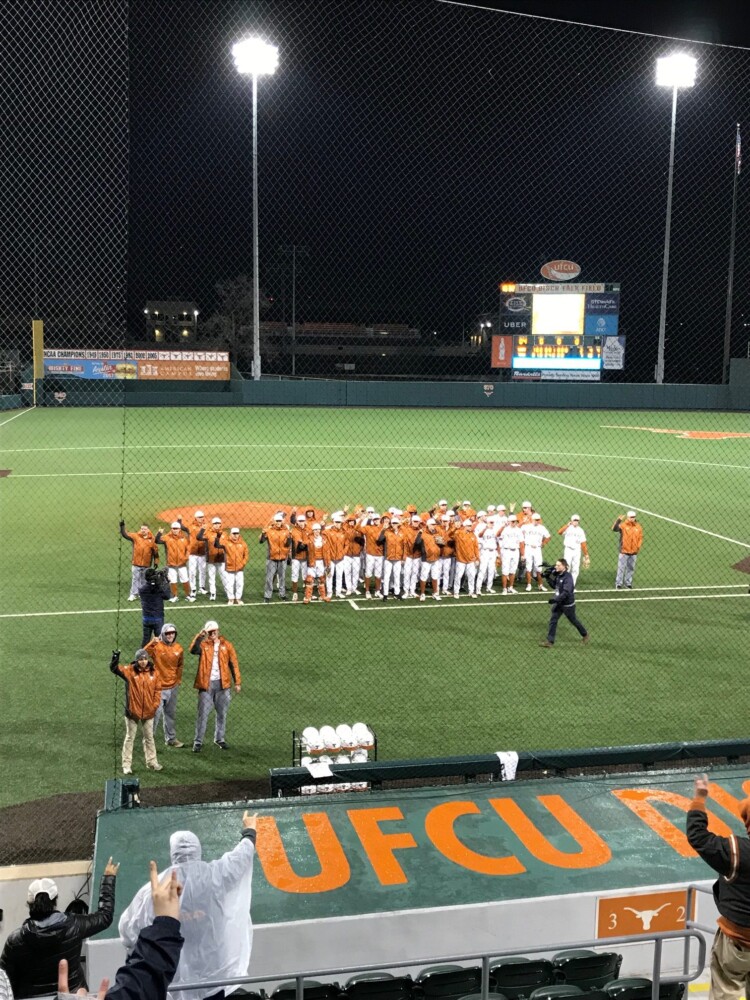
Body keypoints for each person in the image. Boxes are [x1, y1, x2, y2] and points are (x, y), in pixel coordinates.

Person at [118, 812, 257, 1000]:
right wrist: (249, 830)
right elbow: (241, 857)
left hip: (174, 983)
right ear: (198, 849)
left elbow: (128, 929)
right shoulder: (216, 875)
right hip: (213, 981)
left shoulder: (155, 889)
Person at [60, 862, 185, 1000]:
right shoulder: (73, 925)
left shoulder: (32, 934)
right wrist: (165, 923)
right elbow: (104, 916)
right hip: (73, 987)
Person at [0, 862, 118, 998]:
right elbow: (105, 917)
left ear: (30, 904)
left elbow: (5, 978)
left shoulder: (15, 940)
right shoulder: (75, 925)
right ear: (55, 900)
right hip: (73, 995)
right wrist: (108, 879)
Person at [687, 774, 750, 1000]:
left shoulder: (738, 851)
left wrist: (699, 798)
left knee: (726, 991)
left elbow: (698, 837)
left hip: (737, 943)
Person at [110, 648, 163, 774]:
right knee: (130, 738)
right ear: (137, 660)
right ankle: (126, 765)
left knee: (149, 738)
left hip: (148, 712)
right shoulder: (129, 671)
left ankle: (152, 762)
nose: (143, 661)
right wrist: (115, 658)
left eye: (145, 659)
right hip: (133, 712)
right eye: (140, 659)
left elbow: (158, 691)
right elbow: (114, 669)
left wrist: (154, 706)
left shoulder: (154, 673)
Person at [190, 620, 241, 753]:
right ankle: (198, 741)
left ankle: (219, 738)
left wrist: (237, 682)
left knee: (222, 714)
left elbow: (233, 664)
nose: (213, 634)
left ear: (218, 631)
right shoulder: (203, 645)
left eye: (215, 631)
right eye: (210, 632)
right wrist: (199, 636)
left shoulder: (227, 645)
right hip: (206, 685)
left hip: (223, 685)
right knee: (203, 715)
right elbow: (192, 650)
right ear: (206, 633)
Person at [145, 623, 185, 749]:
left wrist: (177, 680)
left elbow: (180, 665)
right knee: (155, 715)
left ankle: (171, 739)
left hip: (172, 687)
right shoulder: (157, 646)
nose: (170, 635)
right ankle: (148, 741)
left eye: (173, 633)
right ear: (163, 634)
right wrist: (152, 642)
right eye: (167, 633)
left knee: (170, 714)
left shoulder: (179, 648)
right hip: (159, 688)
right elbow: (144, 654)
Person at [540, 558, 590, 647]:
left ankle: (585, 634)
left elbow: (566, 593)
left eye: (558, 565)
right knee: (553, 620)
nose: (556, 566)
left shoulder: (568, 578)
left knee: (573, 620)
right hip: (559, 603)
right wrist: (548, 578)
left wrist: (555, 599)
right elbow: (555, 586)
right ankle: (550, 641)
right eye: (556, 565)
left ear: (564, 567)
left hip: (567, 605)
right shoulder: (559, 575)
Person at [155, 522, 195, 603]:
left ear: (180, 529)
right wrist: (159, 533)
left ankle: (188, 595)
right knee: (173, 580)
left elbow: (188, 549)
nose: (175, 530)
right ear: (171, 529)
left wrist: (185, 558)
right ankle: (175, 596)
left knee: (185, 580)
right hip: (171, 563)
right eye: (173, 528)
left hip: (182, 563)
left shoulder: (185, 538)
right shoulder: (167, 537)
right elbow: (157, 541)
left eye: (176, 528)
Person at [119, 521, 159, 602]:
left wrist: (156, 561)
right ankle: (133, 594)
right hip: (136, 563)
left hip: (146, 564)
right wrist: (122, 526)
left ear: (148, 530)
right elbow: (125, 535)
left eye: (145, 529)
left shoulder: (152, 539)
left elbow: (155, 552)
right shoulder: (135, 536)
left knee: (144, 580)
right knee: (135, 579)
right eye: (142, 529)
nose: (143, 530)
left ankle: (142, 594)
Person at [259, 512, 291, 602]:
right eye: (277, 521)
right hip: (271, 558)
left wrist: (289, 538)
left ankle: (282, 594)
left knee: (282, 577)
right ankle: (267, 596)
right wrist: (262, 534)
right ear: (274, 521)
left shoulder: (286, 530)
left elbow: (288, 544)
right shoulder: (269, 530)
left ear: (282, 521)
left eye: (280, 521)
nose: (278, 522)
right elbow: (261, 541)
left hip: (283, 558)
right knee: (269, 577)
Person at [138, 567, 172, 646]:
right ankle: (158, 655)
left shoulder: (142, 590)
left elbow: (149, 587)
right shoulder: (158, 589)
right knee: (160, 640)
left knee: (146, 640)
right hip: (158, 618)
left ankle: (143, 655)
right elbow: (167, 596)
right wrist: (165, 580)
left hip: (146, 618)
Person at [215, 527, 249, 605]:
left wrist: (243, 564)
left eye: (237, 533)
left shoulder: (243, 543)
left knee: (240, 583)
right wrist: (218, 536)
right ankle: (231, 599)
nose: (235, 535)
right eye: (234, 533)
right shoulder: (226, 542)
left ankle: (238, 598)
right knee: (230, 584)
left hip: (240, 568)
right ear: (231, 534)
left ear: (239, 534)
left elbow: (246, 555)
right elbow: (217, 545)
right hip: (229, 567)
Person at [613, 509, 643, 590]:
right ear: (628, 517)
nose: (632, 518)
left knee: (631, 568)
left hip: (634, 551)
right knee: (621, 568)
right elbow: (614, 529)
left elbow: (640, 538)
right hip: (624, 550)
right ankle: (618, 583)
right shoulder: (623, 525)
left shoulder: (638, 527)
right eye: (631, 517)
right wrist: (618, 520)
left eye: (633, 517)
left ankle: (628, 583)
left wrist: (638, 547)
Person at [197, 516, 226, 602]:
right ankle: (213, 594)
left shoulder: (224, 534)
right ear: (212, 525)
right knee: (211, 577)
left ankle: (228, 592)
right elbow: (198, 538)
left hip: (221, 559)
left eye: (218, 523)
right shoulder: (208, 533)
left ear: (220, 524)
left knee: (224, 577)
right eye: (215, 524)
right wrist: (202, 529)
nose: (217, 525)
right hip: (211, 559)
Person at [303, 522, 332, 603]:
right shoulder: (309, 538)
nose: (317, 531)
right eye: (315, 530)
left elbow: (327, 551)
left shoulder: (324, 539)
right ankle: (308, 597)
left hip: (322, 562)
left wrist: (328, 563)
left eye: (318, 530)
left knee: (322, 579)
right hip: (312, 561)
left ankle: (323, 596)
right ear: (313, 530)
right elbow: (303, 544)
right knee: (309, 579)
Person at [557, 514, 590, 584]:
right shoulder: (567, 528)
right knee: (566, 567)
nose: (576, 522)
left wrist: (586, 554)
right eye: (574, 520)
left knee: (575, 569)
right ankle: (564, 583)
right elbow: (559, 532)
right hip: (568, 550)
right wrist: (567, 525)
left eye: (577, 520)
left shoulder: (581, 531)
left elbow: (583, 543)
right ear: (571, 521)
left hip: (577, 551)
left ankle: (572, 585)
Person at [522, 512, 551, 591]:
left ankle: (540, 585)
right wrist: (523, 521)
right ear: (532, 519)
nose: (537, 521)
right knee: (528, 567)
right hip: (528, 548)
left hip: (537, 549)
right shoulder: (526, 527)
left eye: (538, 520)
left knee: (538, 567)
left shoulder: (542, 528)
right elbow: (518, 530)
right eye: (535, 520)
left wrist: (543, 543)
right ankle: (529, 584)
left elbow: (548, 537)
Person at [453, 517, 479, 598]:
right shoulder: (458, 533)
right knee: (458, 576)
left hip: (471, 560)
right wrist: (455, 527)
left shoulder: (473, 535)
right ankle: (456, 592)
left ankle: (471, 591)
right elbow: (451, 535)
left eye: (470, 526)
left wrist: (477, 558)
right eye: (468, 526)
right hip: (461, 559)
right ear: (464, 526)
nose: (470, 527)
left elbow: (476, 548)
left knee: (472, 576)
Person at [499, 513, 525, 595]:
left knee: (513, 570)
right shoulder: (505, 529)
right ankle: (504, 589)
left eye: (515, 521)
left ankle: (510, 587)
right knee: (505, 571)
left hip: (515, 551)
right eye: (512, 521)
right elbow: (498, 535)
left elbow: (521, 543)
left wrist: (523, 554)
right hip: (506, 551)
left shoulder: (519, 530)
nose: (514, 523)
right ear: (509, 522)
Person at [185, 510, 209, 597]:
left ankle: (202, 587)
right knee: (192, 571)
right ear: (195, 518)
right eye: (199, 517)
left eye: (202, 517)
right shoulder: (191, 526)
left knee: (202, 571)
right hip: (193, 552)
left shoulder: (207, 526)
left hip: (202, 552)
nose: (201, 518)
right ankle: (193, 588)